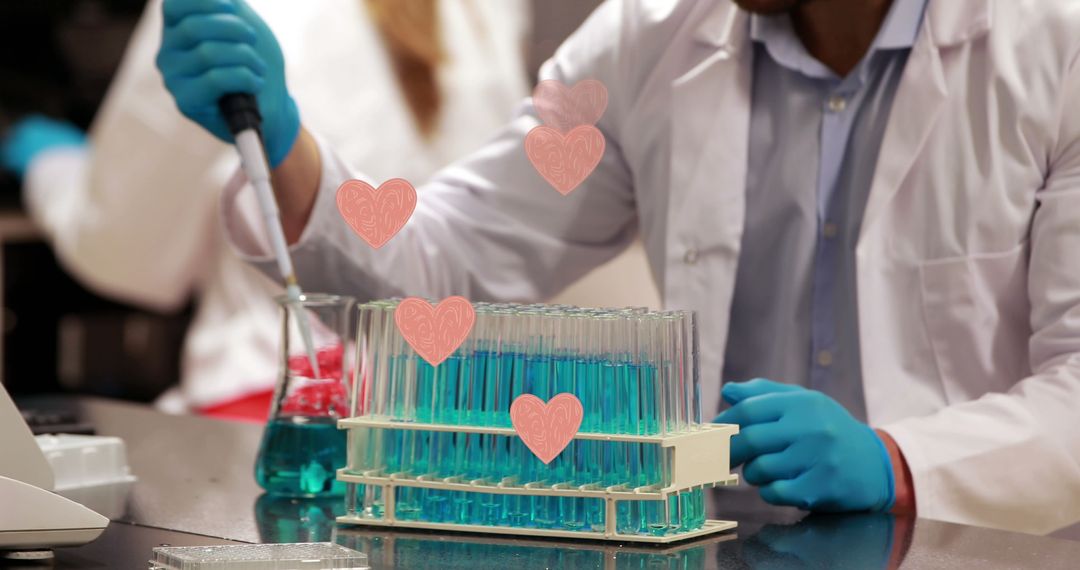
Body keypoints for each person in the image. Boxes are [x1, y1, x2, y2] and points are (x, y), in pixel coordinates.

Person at [155, 0, 1080, 535]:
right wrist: (286, 149)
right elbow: (444, 265)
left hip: (980, 545)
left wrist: (896, 462)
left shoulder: (1055, 43)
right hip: (721, 546)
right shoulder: (650, 35)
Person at [0, 0, 530, 417]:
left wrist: (49, 163)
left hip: (281, 411)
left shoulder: (221, 14)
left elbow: (122, 254)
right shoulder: (479, 11)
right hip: (459, 412)